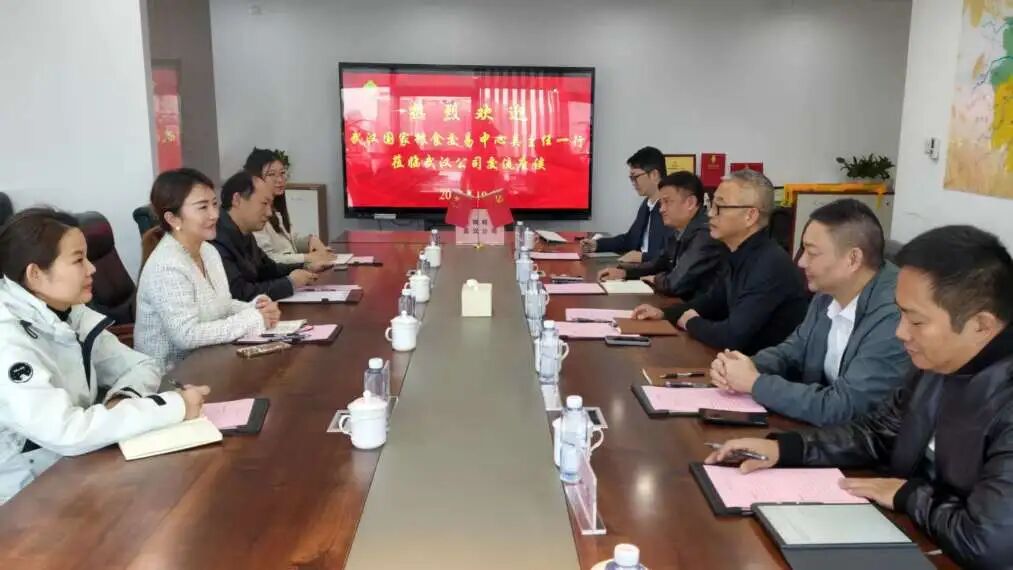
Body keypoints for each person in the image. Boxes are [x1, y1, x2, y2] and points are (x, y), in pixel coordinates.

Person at [706, 225, 1013, 569]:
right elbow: (878, 433)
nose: (900, 332)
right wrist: (787, 449)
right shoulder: (938, 362)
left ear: (981, 325)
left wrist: (909, 494)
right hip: (909, 534)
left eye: (916, 321)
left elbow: (988, 542)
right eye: (900, 313)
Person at [0, 208, 208, 503]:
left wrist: (123, 398)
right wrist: (173, 407)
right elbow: (66, 432)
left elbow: (142, 365)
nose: (92, 269)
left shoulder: (68, 312)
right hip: (21, 496)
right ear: (35, 275)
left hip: (72, 467)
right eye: (78, 260)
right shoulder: (8, 340)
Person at [709, 199, 910, 426]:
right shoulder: (828, 292)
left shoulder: (895, 314)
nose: (801, 262)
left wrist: (755, 383)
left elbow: (845, 407)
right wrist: (743, 365)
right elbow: (793, 350)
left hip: (866, 441)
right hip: (826, 434)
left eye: (812, 253)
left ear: (853, 259)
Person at [631, 170, 808, 354]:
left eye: (719, 207)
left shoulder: (770, 264)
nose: (710, 214)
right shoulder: (736, 251)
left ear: (750, 216)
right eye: (711, 205)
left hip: (761, 367)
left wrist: (691, 322)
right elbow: (712, 302)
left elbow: (733, 336)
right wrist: (664, 314)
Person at [135, 168, 283, 369]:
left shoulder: (208, 251)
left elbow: (221, 306)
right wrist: (251, 320)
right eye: (203, 207)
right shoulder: (167, 266)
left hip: (211, 363)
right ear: (173, 219)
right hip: (171, 377)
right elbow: (186, 335)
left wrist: (255, 308)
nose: (214, 215)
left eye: (214, 204)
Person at [597, 171, 725, 300]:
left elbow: (675, 283)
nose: (661, 209)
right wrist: (624, 272)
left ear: (690, 203)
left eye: (667, 202)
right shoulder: (679, 230)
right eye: (661, 203)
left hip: (700, 309)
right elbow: (658, 264)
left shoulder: (706, 234)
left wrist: (655, 279)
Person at [212, 170, 327, 302]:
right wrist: (290, 283)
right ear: (237, 200)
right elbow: (240, 294)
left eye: (270, 205)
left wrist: (305, 266)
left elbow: (268, 269)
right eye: (264, 204)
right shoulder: (217, 238)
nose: (269, 213)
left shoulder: (244, 232)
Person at [580, 146, 674, 262]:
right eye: (631, 178)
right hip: (640, 267)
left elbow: (672, 255)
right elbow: (630, 240)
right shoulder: (647, 204)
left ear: (654, 175)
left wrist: (642, 257)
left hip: (655, 271)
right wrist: (597, 245)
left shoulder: (671, 208)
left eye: (635, 177)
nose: (633, 183)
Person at [244, 148, 332, 265]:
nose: (280, 180)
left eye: (282, 173)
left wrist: (310, 240)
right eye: (271, 174)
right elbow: (268, 259)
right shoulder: (253, 214)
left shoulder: (275, 207)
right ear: (255, 179)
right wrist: (307, 258)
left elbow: (289, 242)